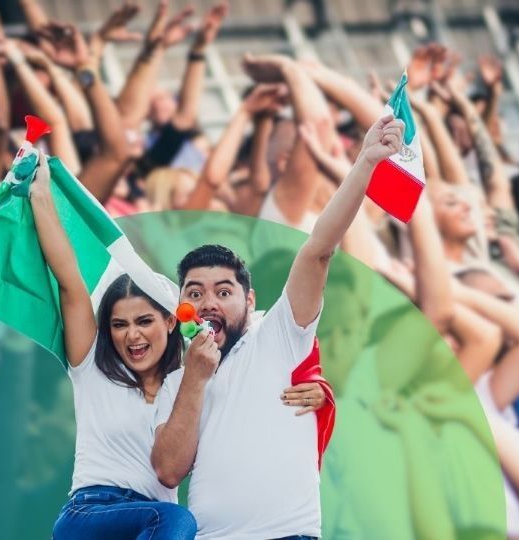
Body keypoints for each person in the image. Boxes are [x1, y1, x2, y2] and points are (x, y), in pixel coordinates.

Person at [27, 152, 328, 539]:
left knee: (176, 522)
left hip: (151, 527)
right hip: (94, 513)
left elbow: (248, 400)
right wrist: (41, 198)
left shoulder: (186, 383)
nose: (132, 335)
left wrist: (319, 390)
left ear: (172, 321)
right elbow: (69, 282)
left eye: (144, 321)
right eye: (119, 325)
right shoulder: (93, 370)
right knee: (178, 521)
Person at [151, 110, 405, 538]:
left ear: (250, 301)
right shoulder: (176, 382)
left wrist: (365, 162)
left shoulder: (280, 335)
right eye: (194, 293)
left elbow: (318, 250)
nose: (208, 302)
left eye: (224, 292)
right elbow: (168, 471)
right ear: (181, 308)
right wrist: (194, 378)